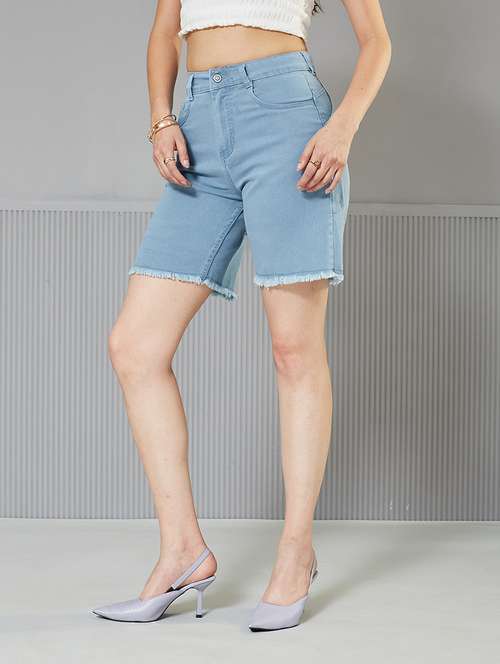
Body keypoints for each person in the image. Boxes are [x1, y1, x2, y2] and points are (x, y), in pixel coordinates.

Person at [92, 0, 391, 631]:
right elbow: (165, 30)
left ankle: (297, 552)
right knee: (135, 347)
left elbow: (377, 42)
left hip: (287, 119)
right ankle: (183, 549)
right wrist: (160, 117)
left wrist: (341, 129)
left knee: (294, 350)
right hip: (198, 124)